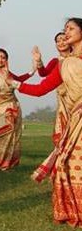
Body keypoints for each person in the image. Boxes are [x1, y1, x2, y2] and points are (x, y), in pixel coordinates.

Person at [14, 18, 82, 227]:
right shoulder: (63, 63)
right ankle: (73, 209)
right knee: (68, 162)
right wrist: (16, 84)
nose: (66, 32)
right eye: (64, 29)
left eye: (70, 28)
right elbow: (41, 88)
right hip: (76, 117)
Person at [29, 33, 71, 181]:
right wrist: (39, 61)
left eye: (64, 39)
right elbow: (44, 74)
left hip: (77, 100)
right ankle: (63, 166)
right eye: (57, 40)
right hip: (64, 103)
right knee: (62, 134)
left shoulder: (77, 59)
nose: (61, 42)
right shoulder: (56, 61)